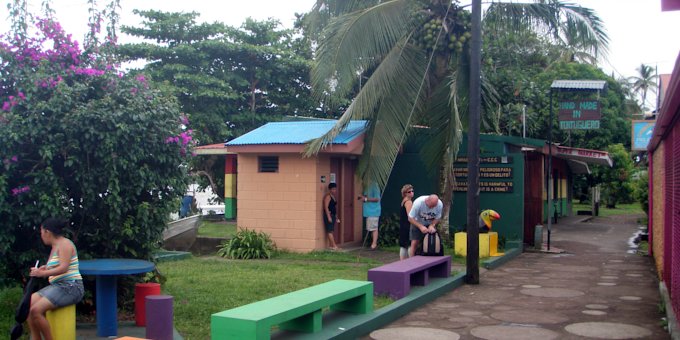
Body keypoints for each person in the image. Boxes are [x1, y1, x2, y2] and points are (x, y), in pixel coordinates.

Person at [28, 218, 84, 340]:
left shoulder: (65, 244)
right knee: (27, 305)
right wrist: (44, 268)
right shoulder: (55, 246)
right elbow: (57, 266)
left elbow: (63, 268)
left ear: (47, 232)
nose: (41, 235)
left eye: (41, 232)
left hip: (71, 286)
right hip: (58, 286)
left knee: (36, 311)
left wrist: (42, 274)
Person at [358, 181, 381, 250]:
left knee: (374, 228)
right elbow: (366, 198)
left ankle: (374, 244)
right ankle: (372, 243)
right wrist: (362, 197)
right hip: (368, 211)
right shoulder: (366, 186)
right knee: (371, 228)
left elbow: (377, 198)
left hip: (373, 211)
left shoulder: (374, 185)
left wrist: (365, 199)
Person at [399, 184, 415, 260]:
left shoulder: (404, 201)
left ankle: (402, 262)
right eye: (409, 191)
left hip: (403, 225)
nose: (411, 192)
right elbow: (410, 215)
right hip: (408, 226)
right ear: (405, 193)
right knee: (409, 244)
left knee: (403, 245)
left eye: (412, 191)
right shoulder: (408, 202)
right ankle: (410, 262)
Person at [323, 183, 340, 250]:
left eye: (335, 189)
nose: (334, 190)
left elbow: (333, 207)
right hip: (329, 215)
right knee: (329, 231)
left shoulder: (333, 196)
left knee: (331, 231)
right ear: (329, 189)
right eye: (333, 189)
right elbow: (326, 207)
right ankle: (334, 246)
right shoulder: (328, 197)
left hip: (333, 215)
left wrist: (336, 217)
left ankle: (331, 245)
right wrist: (328, 217)